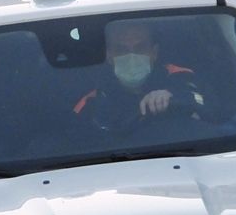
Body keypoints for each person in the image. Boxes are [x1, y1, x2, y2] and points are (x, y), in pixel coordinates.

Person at [72, 20, 207, 132]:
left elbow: (212, 106)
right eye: (121, 50)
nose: (132, 56)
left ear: (154, 52)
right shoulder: (91, 104)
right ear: (109, 56)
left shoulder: (180, 76)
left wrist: (174, 95)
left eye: (140, 48)